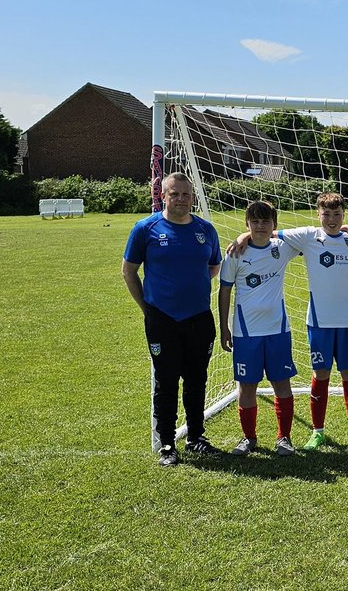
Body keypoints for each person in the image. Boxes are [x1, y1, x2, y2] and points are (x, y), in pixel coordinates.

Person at [122, 172, 222, 467]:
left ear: (192, 197)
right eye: (174, 194)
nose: (180, 199)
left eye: (186, 195)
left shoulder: (206, 230)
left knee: (197, 380)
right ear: (162, 196)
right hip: (162, 319)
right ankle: (167, 443)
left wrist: (191, 288)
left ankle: (195, 437)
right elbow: (129, 271)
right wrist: (148, 308)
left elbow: (213, 266)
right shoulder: (146, 228)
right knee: (165, 383)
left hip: (199, 318)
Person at [269, 193, 348, 452]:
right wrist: (244, 236)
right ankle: (317, 431)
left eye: (337, 215)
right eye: (327, 214)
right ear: (318, 214)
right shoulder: (308, 236)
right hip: (319, 322)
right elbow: (270, 232)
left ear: (344, 215)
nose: (332, 220)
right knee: (321, 374)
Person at [217, 201, 299, 457]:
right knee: (247, 387)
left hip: (277, 330)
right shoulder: (235, 254)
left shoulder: (283, 248)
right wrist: (224, 327)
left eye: (266, 222)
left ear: (274, 225)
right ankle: (248, 437)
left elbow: (315, 234)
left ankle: (284, 438)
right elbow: (225, 290)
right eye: (255, 222)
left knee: (281, 384)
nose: (260, 226)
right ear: (247, 224)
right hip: (246, 333)